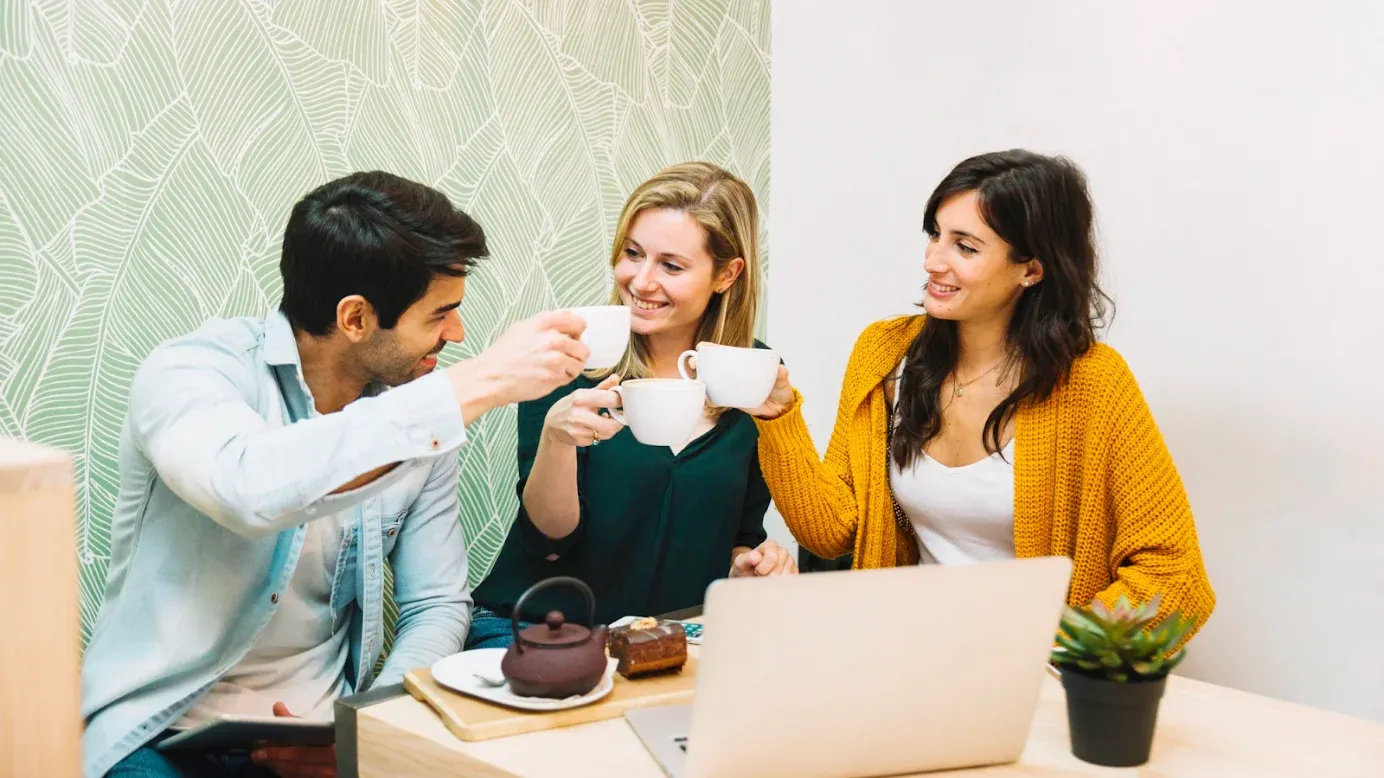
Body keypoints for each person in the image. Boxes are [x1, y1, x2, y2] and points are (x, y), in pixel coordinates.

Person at [84, 171, 592, 778]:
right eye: (439, 315)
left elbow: (435, 603)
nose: (456, 333)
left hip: (322, 734)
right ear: (355, 317)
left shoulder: (422, 412)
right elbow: (249, 489)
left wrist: (371, 725)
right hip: (162, 730)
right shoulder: (191, 372)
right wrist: (478, 383)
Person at [747, 150, 1215, 637]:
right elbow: (831, 532)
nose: (933, 261)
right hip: (903, 655)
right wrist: (779, 416)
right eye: (935, 235)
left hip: (1029, 678)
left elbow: (1173, 576)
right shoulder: (883, 354)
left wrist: (1057, 646)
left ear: (1030, 270)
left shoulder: (1092, 382)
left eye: (965, 247)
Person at [467, 162, 794, 648]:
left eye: (671, 265)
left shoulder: (755, 375)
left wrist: (750, 565)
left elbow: (739, 531)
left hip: (666, 641)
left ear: (726, 274)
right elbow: (548, 541)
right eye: (633, 254)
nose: (641, 281)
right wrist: (557, 439)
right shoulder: (571, 359)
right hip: (538, 633)